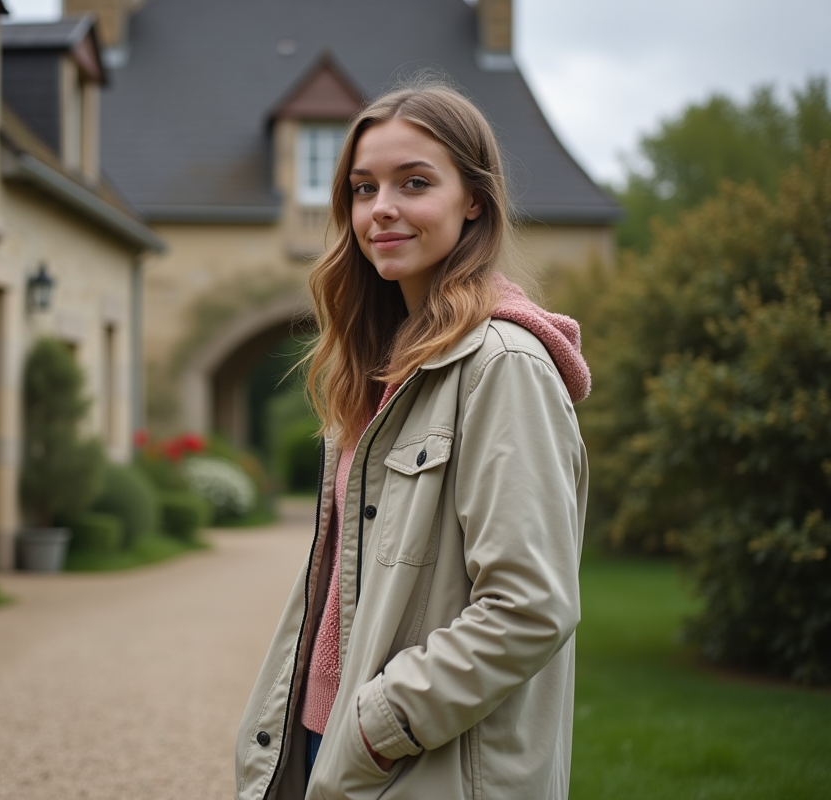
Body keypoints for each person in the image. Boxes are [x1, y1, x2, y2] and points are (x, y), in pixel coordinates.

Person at [235, 83, 590, 800]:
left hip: (421, 757)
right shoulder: (377, 369)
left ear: (474, 202)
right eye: (364, 188)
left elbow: (529, 605)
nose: (382, 208)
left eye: (414, 182)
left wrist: (376, 724)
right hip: (324, 738)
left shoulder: (502, 367)